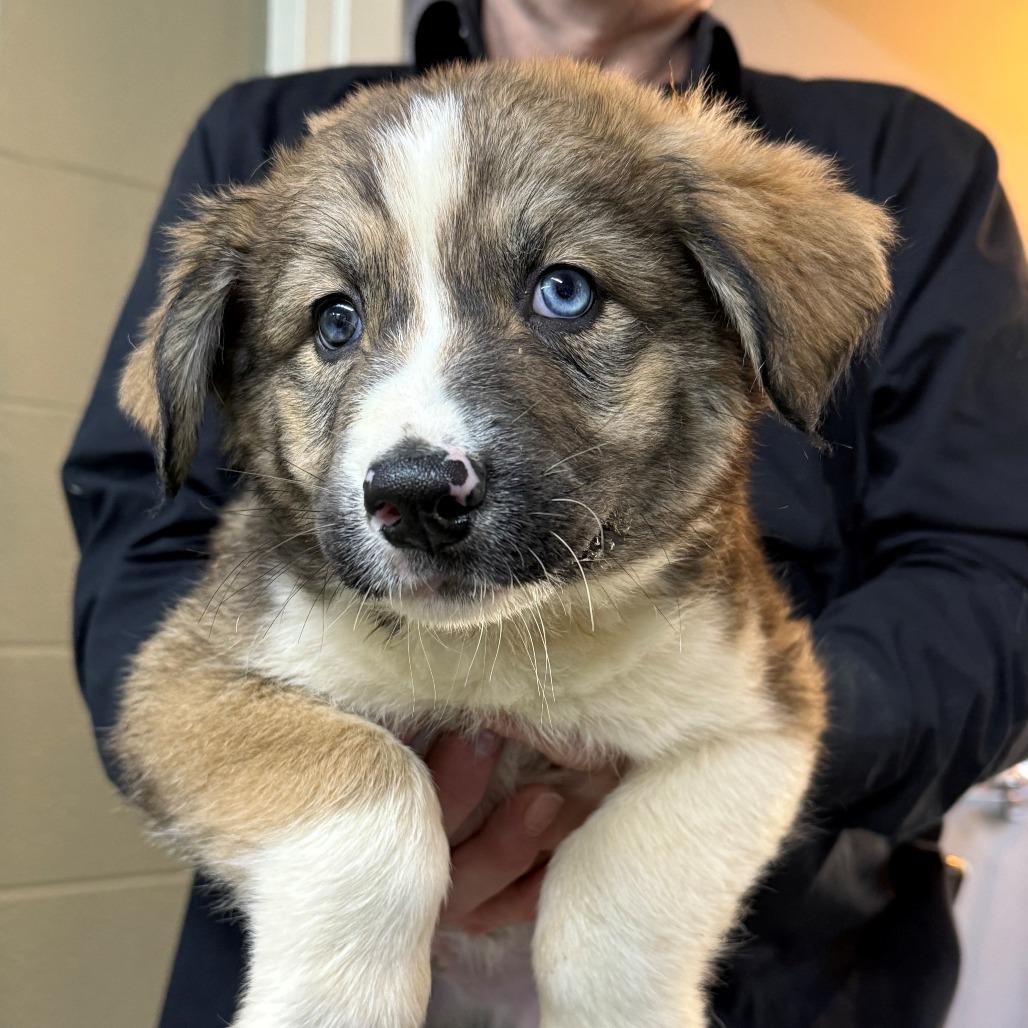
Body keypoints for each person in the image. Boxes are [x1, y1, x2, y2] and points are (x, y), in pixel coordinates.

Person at [62, 2, 1028, 1025]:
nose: (423, 447)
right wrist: (341, 838)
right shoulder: (265, 139)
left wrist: (646, 797)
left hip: (791, 971)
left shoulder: (905, 158)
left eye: (563, 291)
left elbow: (995, 579)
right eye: (335, 322)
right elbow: (145, 554)